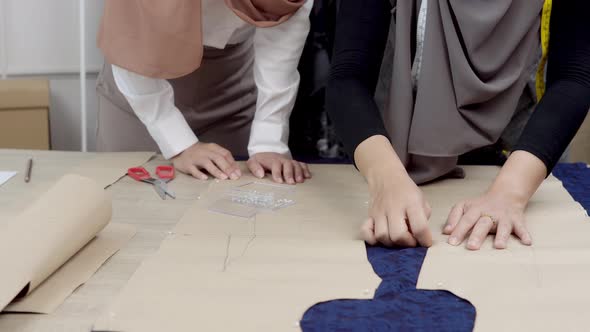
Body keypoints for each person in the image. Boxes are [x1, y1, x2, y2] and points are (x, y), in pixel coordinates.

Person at [326, 0, 590, 249]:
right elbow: (348, 77)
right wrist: (386, 180)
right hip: (387, 149)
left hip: (524, 150)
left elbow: (576, 74)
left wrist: (511, 191)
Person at [96, 0, 313, 184]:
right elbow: (131, 34)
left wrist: (269, 137)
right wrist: (178, 142)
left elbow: (282, 18)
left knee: (232, 199)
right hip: (140, 83)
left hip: (232, 86)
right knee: (129, 203)